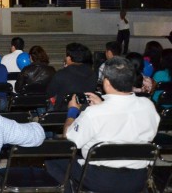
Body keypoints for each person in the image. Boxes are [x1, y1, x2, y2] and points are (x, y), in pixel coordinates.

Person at [46, 57, 160, 193]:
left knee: (53, 160)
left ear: (106, 82)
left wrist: (72, 111)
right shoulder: (148, 106)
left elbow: (69, 139)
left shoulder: (93, 113)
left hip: (100, 180)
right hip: (138, 178)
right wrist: (103, 105)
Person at [46, 43, 97, 111]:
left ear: (69, 58)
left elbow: (50, 93)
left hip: (63, 111)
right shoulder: (92, 73)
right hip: (86, 110)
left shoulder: (62, 73)